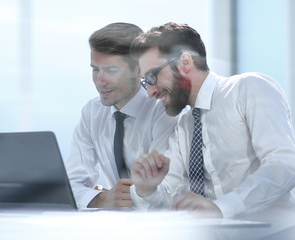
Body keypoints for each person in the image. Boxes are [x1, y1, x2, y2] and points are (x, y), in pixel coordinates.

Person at [129, 22, 295, 218]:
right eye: (145, 83)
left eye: (152, 77)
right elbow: (169, 196)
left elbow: (284, 164)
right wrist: (147, 190)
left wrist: (222, 208)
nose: (150, 92)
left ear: (185, 62)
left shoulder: (248, 88)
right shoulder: (184, 127)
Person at [65, 23, 182, 209]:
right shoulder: (92, 112)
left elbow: (161, 189)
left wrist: (102, 195)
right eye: (95, 69)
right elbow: (71, 185)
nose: (99, 81)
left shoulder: (163, 110)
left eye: (110, 70)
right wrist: (102, 198)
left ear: (139, 70)